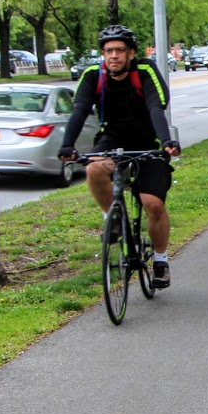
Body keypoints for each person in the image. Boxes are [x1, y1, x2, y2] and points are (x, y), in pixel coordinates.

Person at [60, 25, 181, 288]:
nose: (113, 56)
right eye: (108, 51)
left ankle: (160, 259)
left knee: (154, 205)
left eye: (119, 50)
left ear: (131, 53)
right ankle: (112, 218)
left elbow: (155, 107)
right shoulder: (93, 75)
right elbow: (79, 111)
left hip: (147, 142)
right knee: (93, 169)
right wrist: (67, 145)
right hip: (111, 140)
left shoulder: (145, 71)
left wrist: (167, 141)